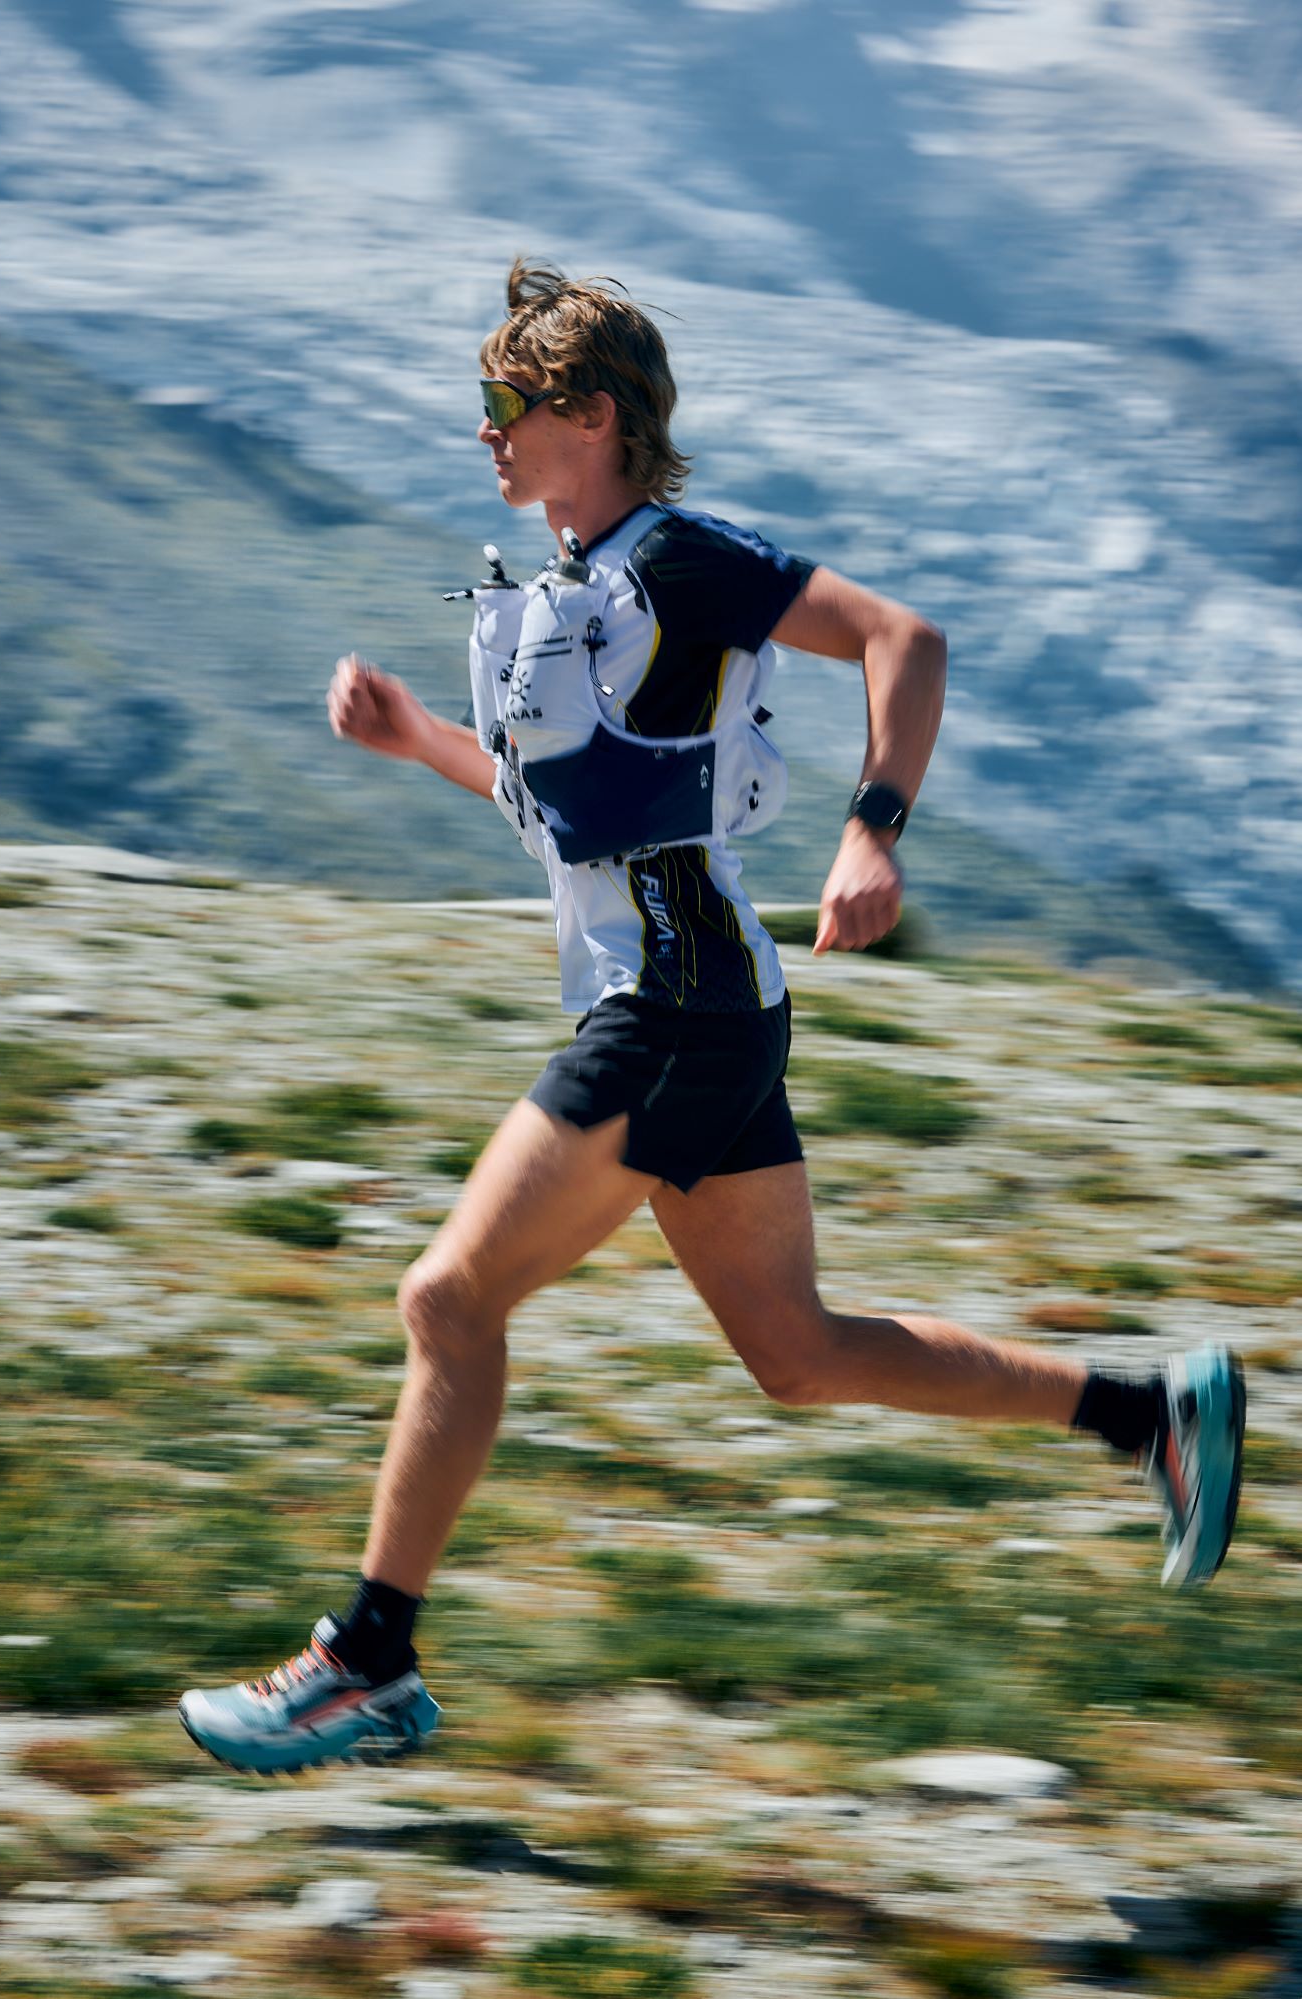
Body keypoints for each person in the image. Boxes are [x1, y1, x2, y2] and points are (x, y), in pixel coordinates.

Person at [179, 261, 1246, 1776]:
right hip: (712, 1002)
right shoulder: (580, 592)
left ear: (591, 415)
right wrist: (422, 740)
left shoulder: (686, 562)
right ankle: (1150, 1417)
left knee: (448, 1303)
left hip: (674, 1003)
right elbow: (578, 815)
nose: (484, 428)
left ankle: (366, 1665)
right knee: (795, 1355)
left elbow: (905, 638)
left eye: (506, 399)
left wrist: (874, 831)